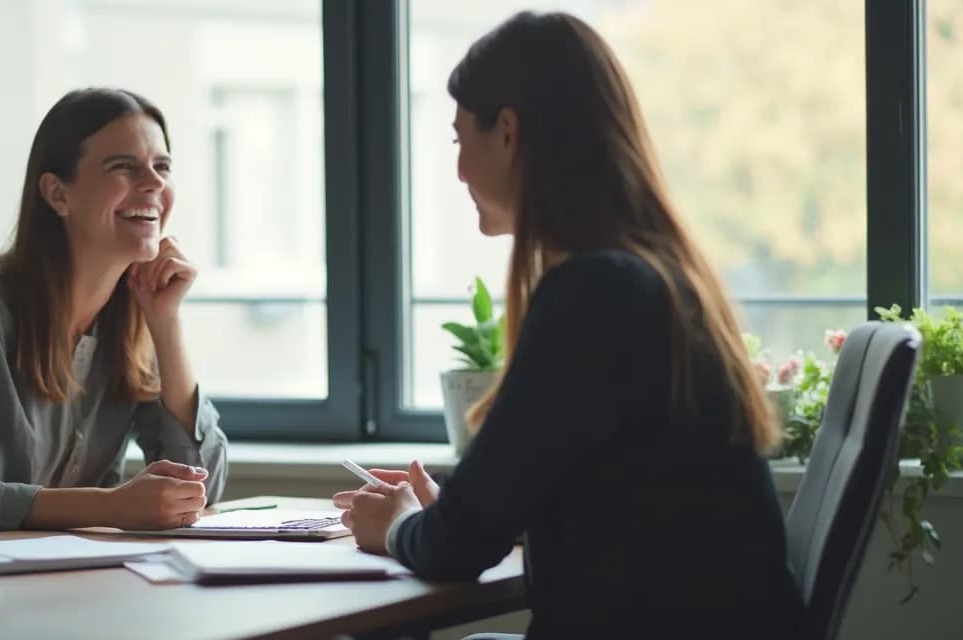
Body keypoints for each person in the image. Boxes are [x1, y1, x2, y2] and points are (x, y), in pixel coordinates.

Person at [334, 12, 804, 639]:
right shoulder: (650, 278)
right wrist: (450, 509)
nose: (458, 172)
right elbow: (556, 490)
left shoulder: (596, 293)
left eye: (457, 141)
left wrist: (396, 526)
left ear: (507, 131)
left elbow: (458, 548)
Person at [0, 88, 228, 532]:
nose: (153, 184)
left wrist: (166, 325)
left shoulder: (134, 317)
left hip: (83, 582)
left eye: (162, 166)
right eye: (123, 166)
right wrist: (110, 507)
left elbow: (203, 487)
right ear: (57, 194)